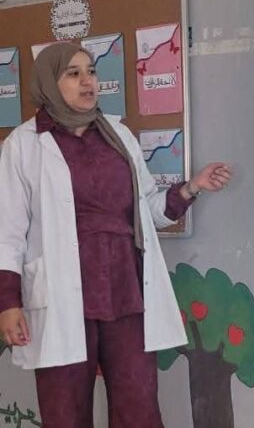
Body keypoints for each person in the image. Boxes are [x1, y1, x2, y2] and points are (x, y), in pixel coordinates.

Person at [0, 42, 232, 427]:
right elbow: (7, 232)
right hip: (61, 297)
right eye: (73, 73)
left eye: (91, 71)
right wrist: (8, 303)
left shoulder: (118, 135)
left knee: (139, 408)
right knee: (65, 412)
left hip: (125, 291)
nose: (87, 81)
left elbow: (148, 210)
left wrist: (192, 188)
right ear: (49, 82)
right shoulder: (23, 145)